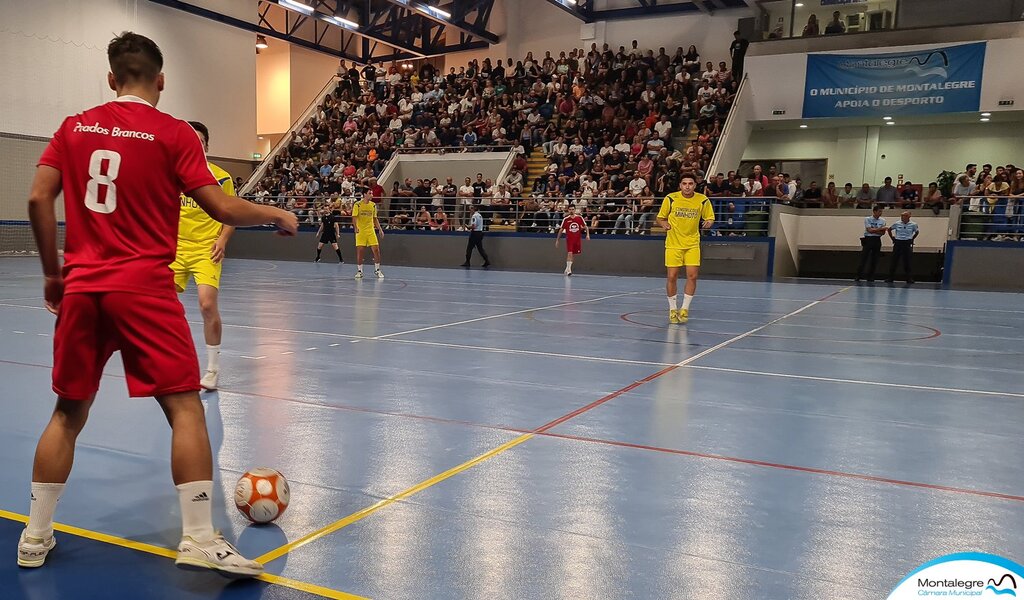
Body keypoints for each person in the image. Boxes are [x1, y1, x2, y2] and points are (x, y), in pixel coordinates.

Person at [21, 31, 297, 576]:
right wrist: (276, 214)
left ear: (110, 78)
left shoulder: (73, 128)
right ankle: (197, 537)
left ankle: (34, 536)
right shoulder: (172, 133)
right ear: (161, 81)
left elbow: (37, 197)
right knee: (185, 407)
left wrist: (55, 276)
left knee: (67, 413)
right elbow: (219, 204)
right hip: (144, 289)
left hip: (83, 289)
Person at [170, 121, 235, 391]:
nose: (195, 145)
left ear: (207, 146)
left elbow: (231, 214)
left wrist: (222, 239)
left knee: (207, 305)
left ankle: (212, 369)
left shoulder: (221, 178)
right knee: (160, 304)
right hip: (175, 248)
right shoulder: (172, 175)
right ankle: (172, 363)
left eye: (200, 141)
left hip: (206, 248)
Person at [656, 173, 715, 324]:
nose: (687, 186)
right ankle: (672, 309)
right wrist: (664, 224)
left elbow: (710, 217)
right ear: (680, 185)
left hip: (692, 243)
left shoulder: (702, 200)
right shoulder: (670, 198)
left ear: (695, 185)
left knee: (692, 276)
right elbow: (660, 217)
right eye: (684, 183)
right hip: (673, 243)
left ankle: (684, 309)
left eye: (690, 183)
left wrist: (708, 223)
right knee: (672, 276)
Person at [352, 192, 384, 279]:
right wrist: (355, 227)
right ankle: (359, 271)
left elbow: (375, 218)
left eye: (372, 193)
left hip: (371, 230)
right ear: (365, 194)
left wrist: (380, 229)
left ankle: (377, 270)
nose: (372, 195)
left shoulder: (373, 205)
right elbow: (354, 217)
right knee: (360, 251)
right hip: (361, 231)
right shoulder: (357, 205)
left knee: (376, 249)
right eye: (370, 193)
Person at [555, 204, 590, 276]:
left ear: (575, 209)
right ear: (568, 210)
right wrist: (557, 240)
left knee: (573, 254)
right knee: (570, 253)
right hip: (569, 239)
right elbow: (561, 230)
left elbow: (585, 226)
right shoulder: (566, 219)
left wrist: (587, 235)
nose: (571, 211)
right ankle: (569, 270)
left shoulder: (579, 218)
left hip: (577, 239)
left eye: (572, 209)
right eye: (570, 209)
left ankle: (567, 268)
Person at [855, 205, 887, 282]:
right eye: (879, 211)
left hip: (877, 240)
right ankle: (858, 275)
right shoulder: (868, 219)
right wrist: (879, 229)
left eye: (881, 211)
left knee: (875, 259)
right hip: (868, 239)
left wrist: (876, 230)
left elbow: (882, 233)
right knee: (864, 258)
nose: (880, 213)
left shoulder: (882, 220)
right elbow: (869, 230)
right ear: (874, 211)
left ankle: (871, 276)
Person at [886, 211, 919, 284]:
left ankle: (909, 278)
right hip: (898, 242)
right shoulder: (897, 223)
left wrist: (912, 239)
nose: (902, 217)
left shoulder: (913, 224)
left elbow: (917, 232)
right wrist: (892, 238)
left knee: (907, 261)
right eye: (902, 216)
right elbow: (889, 229)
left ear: (909, 216)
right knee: (894, 260)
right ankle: (890, 277)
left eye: (904, 216)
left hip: (907, 242)